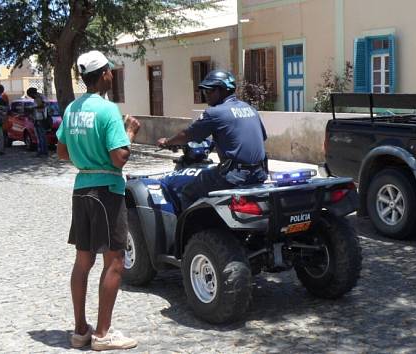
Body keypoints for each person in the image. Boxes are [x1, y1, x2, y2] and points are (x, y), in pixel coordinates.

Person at [56, 50, 141, 351]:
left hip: (81, 189)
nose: (111, 74)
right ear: (103, 73)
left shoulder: (72, 110)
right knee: (115, 261)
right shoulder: (107, 111)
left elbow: (62, 152)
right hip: (107, 190)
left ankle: (80, 330)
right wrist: (129, 132)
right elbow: (119, 158)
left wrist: (86, 157)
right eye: (109, 70)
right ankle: (103, 334)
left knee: (83, 260)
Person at [157, 69, 268, 210]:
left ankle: (191, 231)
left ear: (221, 90)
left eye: (209, 91)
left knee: (188, 192)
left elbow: (187, 135)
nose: (206, 96)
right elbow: (260, 138)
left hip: (234, 177)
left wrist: (167, 142)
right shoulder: (250, 109)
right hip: (259, 174)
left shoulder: (214, 113)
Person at [26, 87, 48, 157]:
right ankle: (43, 151)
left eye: (30, 95)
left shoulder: (39, 98)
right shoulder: (41, 97)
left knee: (41, 137)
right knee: (41, 136)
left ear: (32, 93)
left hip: (40, 119)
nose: (30, 97)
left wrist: (32, 108)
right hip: (39, 119)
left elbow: (41, 106)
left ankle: (42, 151)